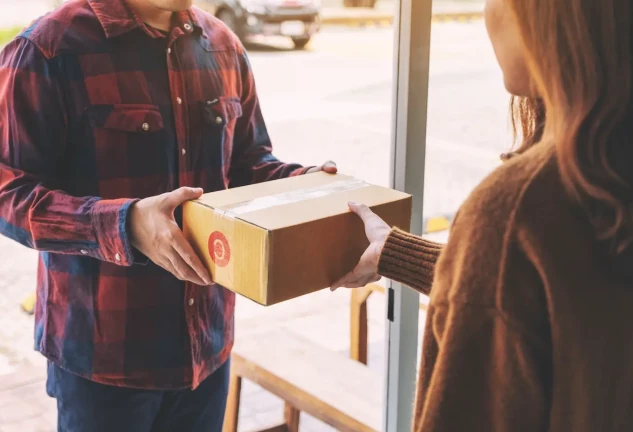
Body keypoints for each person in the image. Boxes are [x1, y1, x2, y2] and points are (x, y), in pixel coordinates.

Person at [0, 0, 335, 430]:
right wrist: (123, 224)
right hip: (105, 361)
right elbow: (10, 191)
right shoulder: (49, 48)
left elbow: (248, 163)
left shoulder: (223, 45)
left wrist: (306, 183)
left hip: (207, 347)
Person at [333, 0, 633, 430]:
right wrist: (395, 253)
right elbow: (572, 312)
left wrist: (483, 246)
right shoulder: (608, 170)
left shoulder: (520, 207)